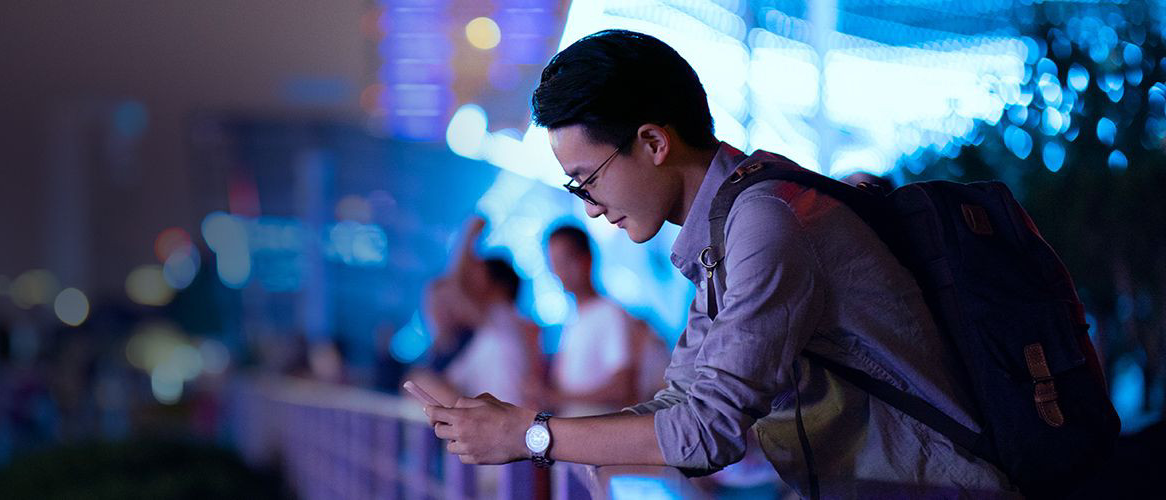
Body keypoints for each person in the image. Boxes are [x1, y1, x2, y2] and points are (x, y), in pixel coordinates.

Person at [423, 29, 1014, 496]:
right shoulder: (728, 229)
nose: (592, 208)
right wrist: (549, 435)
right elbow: (683, 404)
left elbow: (709, 431)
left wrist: (531, 436)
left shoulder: (766, 221)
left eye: (587, 181)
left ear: (654, 143)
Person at [408, 217, 545, 408]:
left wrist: (468, 236)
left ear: (499, 286)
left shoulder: (503, 320)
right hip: (500, 423)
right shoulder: (489, 333)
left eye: (478, 277)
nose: (471, 284)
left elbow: (456, 289)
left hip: (505, 427)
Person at [537, 225, 668, 416]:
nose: (559, 271)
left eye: (565, 260)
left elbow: (622, 389)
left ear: (587, 259)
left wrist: (559, 398)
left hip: (597, 434)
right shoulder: (575, 319)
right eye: (553, 263)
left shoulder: (609, 313)